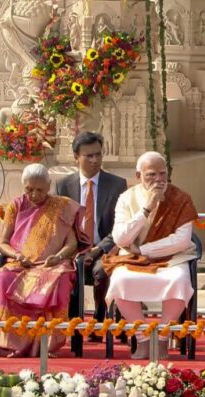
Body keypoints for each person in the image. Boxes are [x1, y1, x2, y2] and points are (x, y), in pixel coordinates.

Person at [103, 152, 198, 360]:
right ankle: (143, 338)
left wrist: (145, 250)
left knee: (179, 279)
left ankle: (163, 338)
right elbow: (120, 238)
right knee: (120, 280)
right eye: (151, 175)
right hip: (132, 258)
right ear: (138, 176)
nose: (158, 180)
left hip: (171, 257)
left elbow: (182, 240)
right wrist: (146, 208)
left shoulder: (181, 198)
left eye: (163, 174)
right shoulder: (126, 198)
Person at [0, 164, 84, 358]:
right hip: (20, 262)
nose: (34, 194)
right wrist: (17, 256)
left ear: (49, 186)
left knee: (61, 278)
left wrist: (58, 256)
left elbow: (72, 243)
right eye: (29, 189)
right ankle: (13, 343)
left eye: (40, 190)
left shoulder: (62, 206)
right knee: (2, 276)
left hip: (53, 264)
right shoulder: (16, 206)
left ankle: (46, 344)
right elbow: (3, 243)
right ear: (23, 186)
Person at [56, 131, 127, 342]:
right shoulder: (63, 186)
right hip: (73, 248)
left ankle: (99, 318)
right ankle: (71, 323)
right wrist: (74, 249)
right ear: (76, 157)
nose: (95, 160)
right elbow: (60, 225)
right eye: (89, 156)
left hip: (104, 248)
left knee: (101, 271)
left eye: (98, 154)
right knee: (65, 271)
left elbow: (118, 227)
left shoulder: (116, 185)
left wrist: (97, 249)